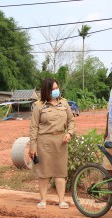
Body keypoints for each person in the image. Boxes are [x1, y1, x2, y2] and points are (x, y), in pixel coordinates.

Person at [29, 78, 75, 209]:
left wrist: (69, 133)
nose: (56, 91)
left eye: (57, 88)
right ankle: (43, 200)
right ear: (46, 90)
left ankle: (61, 200)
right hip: (44, 142)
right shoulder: (39, 106)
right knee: (43, 172)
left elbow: (71, 121)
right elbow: (33, 127)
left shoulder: (64, 103)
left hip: (61, 141)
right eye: (53, 89)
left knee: (60, 172)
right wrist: (33, 146)